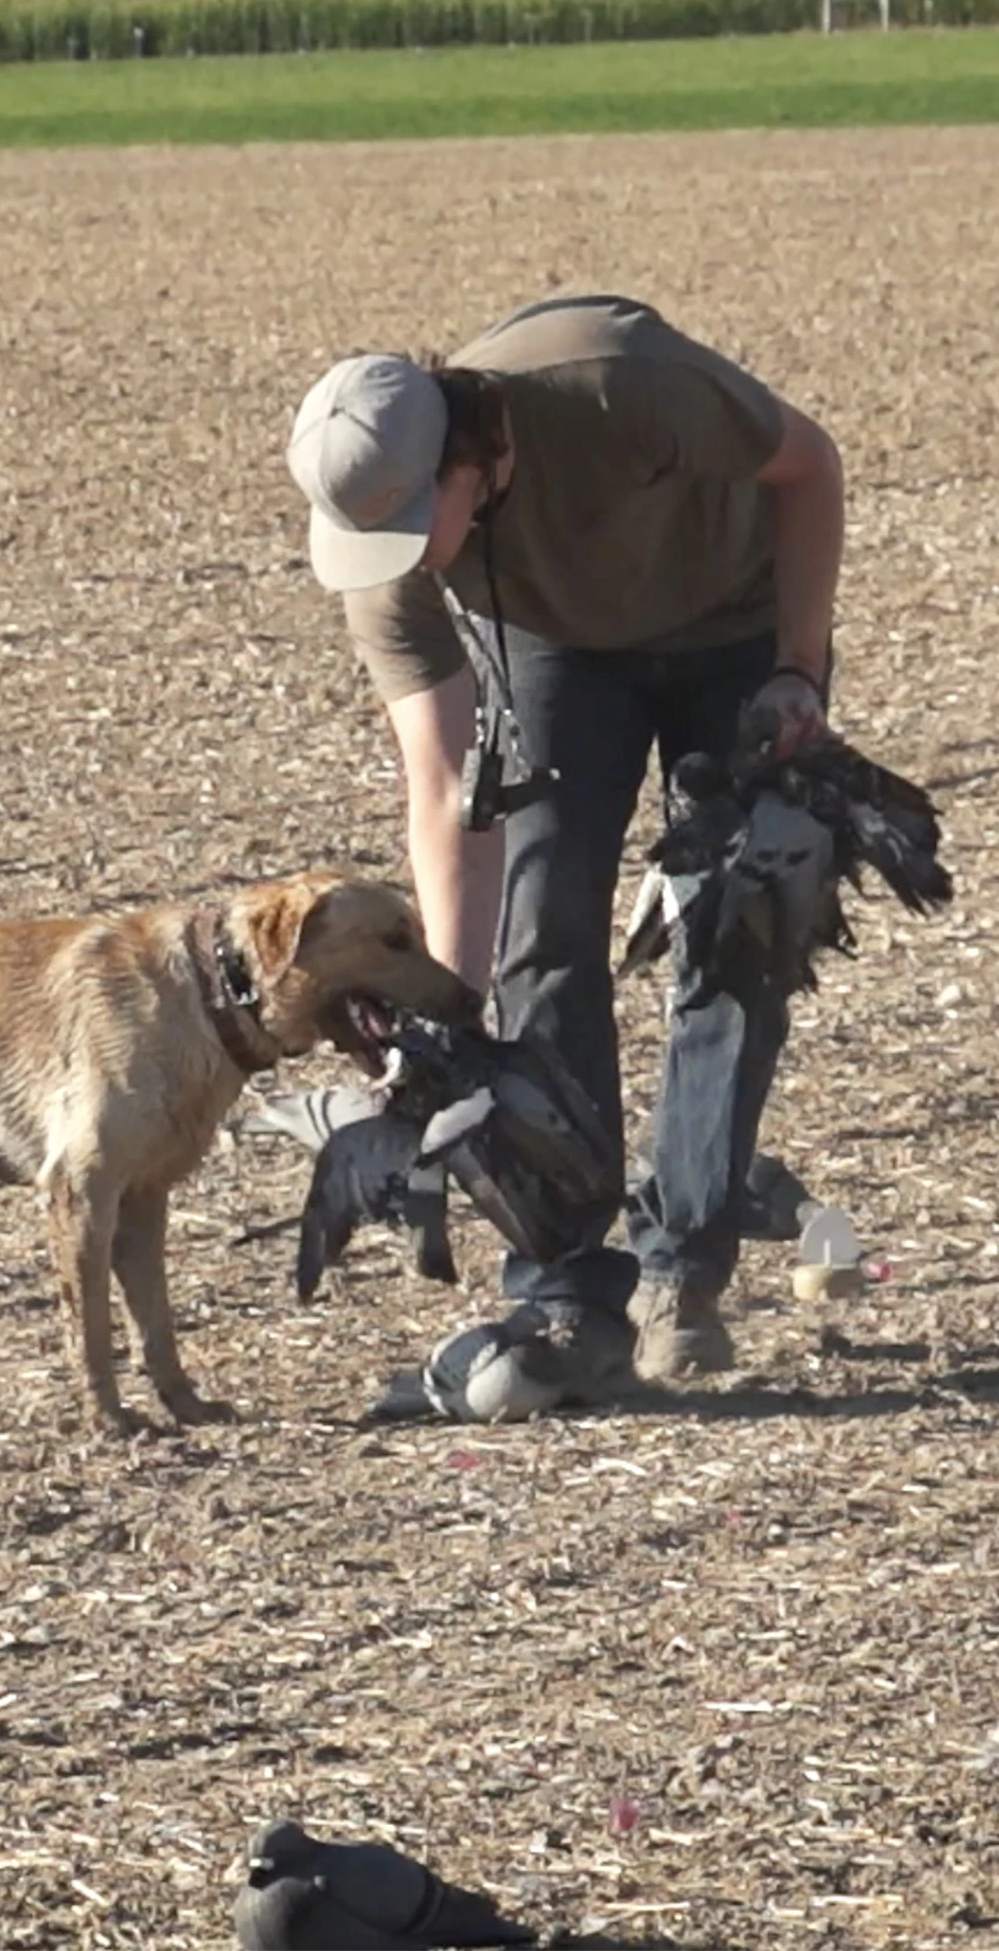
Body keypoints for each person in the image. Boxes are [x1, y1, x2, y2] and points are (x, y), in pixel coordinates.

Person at [285, 293, 844, 1382]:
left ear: (463, 462)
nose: (393, 557)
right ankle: (566, 1292)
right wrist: (447, 1005)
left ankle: (684, 1259)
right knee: (543, 936)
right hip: (550, 648)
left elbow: (808, 464)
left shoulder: (614, 379)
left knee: (737, 929)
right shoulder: (388, 557)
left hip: (733, 622)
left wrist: (798, 667)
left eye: (408, 529)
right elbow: (446, 781)